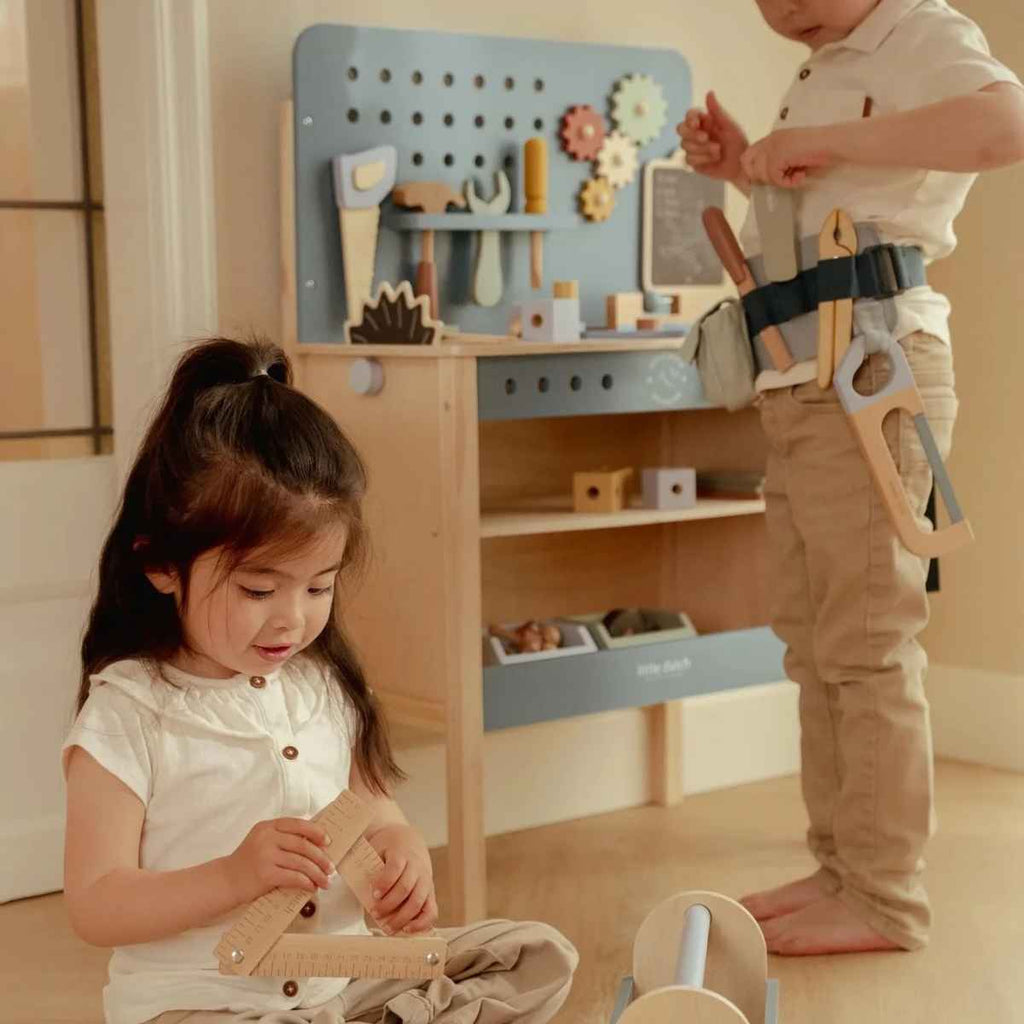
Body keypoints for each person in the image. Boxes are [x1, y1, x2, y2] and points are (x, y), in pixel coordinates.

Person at [62, 338, 578, 1023]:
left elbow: (372, 808)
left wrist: (401, 852)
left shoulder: (321, 689)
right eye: (257, 589)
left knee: (535, 956)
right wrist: (231, 878)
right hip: (205, 1006)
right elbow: (96, 903)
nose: (292, 619)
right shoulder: (129, 714)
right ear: (161, 565)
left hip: (339, 989)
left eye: (318, 586)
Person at [679, 0, 1024, 955]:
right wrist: (750, 158)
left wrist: (819, 139)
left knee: (869, 642)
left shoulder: (919, 31)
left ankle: (884, 895)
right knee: (816, 642)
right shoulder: (821, 65)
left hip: (873, 370)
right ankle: (842, 868)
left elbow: (1008, 124)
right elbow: (834, 205)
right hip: (800, 380)